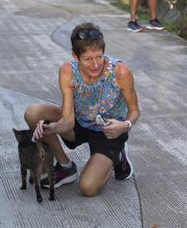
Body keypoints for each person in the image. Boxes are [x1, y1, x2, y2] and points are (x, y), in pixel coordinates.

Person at [25, 23, 140, 197]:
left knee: (87, 188)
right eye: (88, 59)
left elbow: (134, 110)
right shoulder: (67, 71)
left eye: (99, 57)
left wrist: (125, 125)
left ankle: (118, 156)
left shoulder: (120, 71)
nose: (95, 65)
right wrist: (52, 128)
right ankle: (65, 166)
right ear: (75, 56)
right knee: (33, 113)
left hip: (109, 131)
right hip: (78, 124)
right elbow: (68, 120)